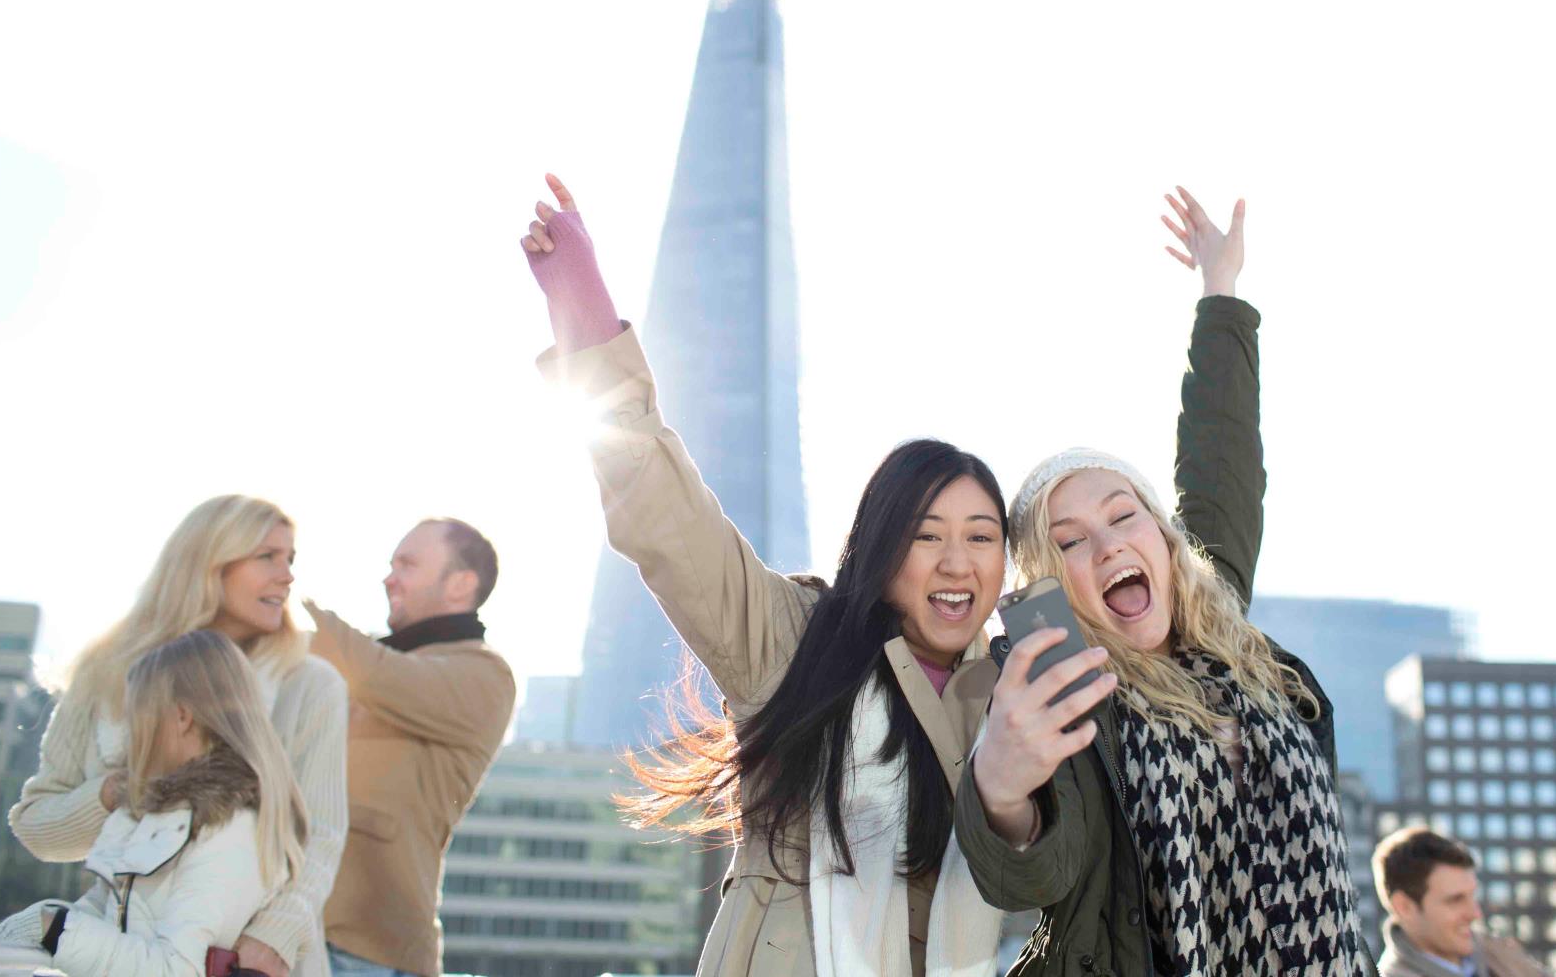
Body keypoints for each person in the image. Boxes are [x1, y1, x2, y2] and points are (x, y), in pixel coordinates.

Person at [519, 174, 1014, 976]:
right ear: (882, 550)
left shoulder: (1010, 696)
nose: (957, 562)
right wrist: (587, 325)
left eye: (981, 537)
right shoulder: (794, 641)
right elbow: (668, 523)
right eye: (928, 536)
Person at [953, 188, 1369, 976]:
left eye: (1124, 516)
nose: (1107, 545)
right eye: (1069, 541)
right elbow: (1037, 871)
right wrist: (1002, 789)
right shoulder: (1071, 695)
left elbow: (1221, 451)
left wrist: (1221, 290)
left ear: (1167, 540)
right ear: (1054, 587)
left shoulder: (1227, 631)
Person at [9, 495, 349, 977]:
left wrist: (270, 938)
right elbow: (37, 828)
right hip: (116, 956)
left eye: (291, 558)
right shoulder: (103, 676)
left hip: (256, 965)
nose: (288, 575)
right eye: (267, 556)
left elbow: (321, 836)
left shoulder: (310, 685)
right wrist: (116, 792)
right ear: (209, 561)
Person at [0, 629, 311, 976]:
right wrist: (39, 924)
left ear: (182, 716)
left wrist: (55, 927)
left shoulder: (231, 828)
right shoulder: (160, 816)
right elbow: (102, 920)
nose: (131, 734)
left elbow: (177, 969)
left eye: (137, 715)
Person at [303, 518, 516, 977]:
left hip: (369, 951)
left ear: (461, 585)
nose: (389, 577)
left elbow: (378, 675)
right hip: (299, 931)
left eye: (407, 564)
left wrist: (282, 599)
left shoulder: (485, 675)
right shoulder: (367, 662)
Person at [1371, 826, 1556, 977]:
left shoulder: (1493, 951)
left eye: (1473, 896)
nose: (1474, 913)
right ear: (1404, 907)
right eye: (1455, 900)